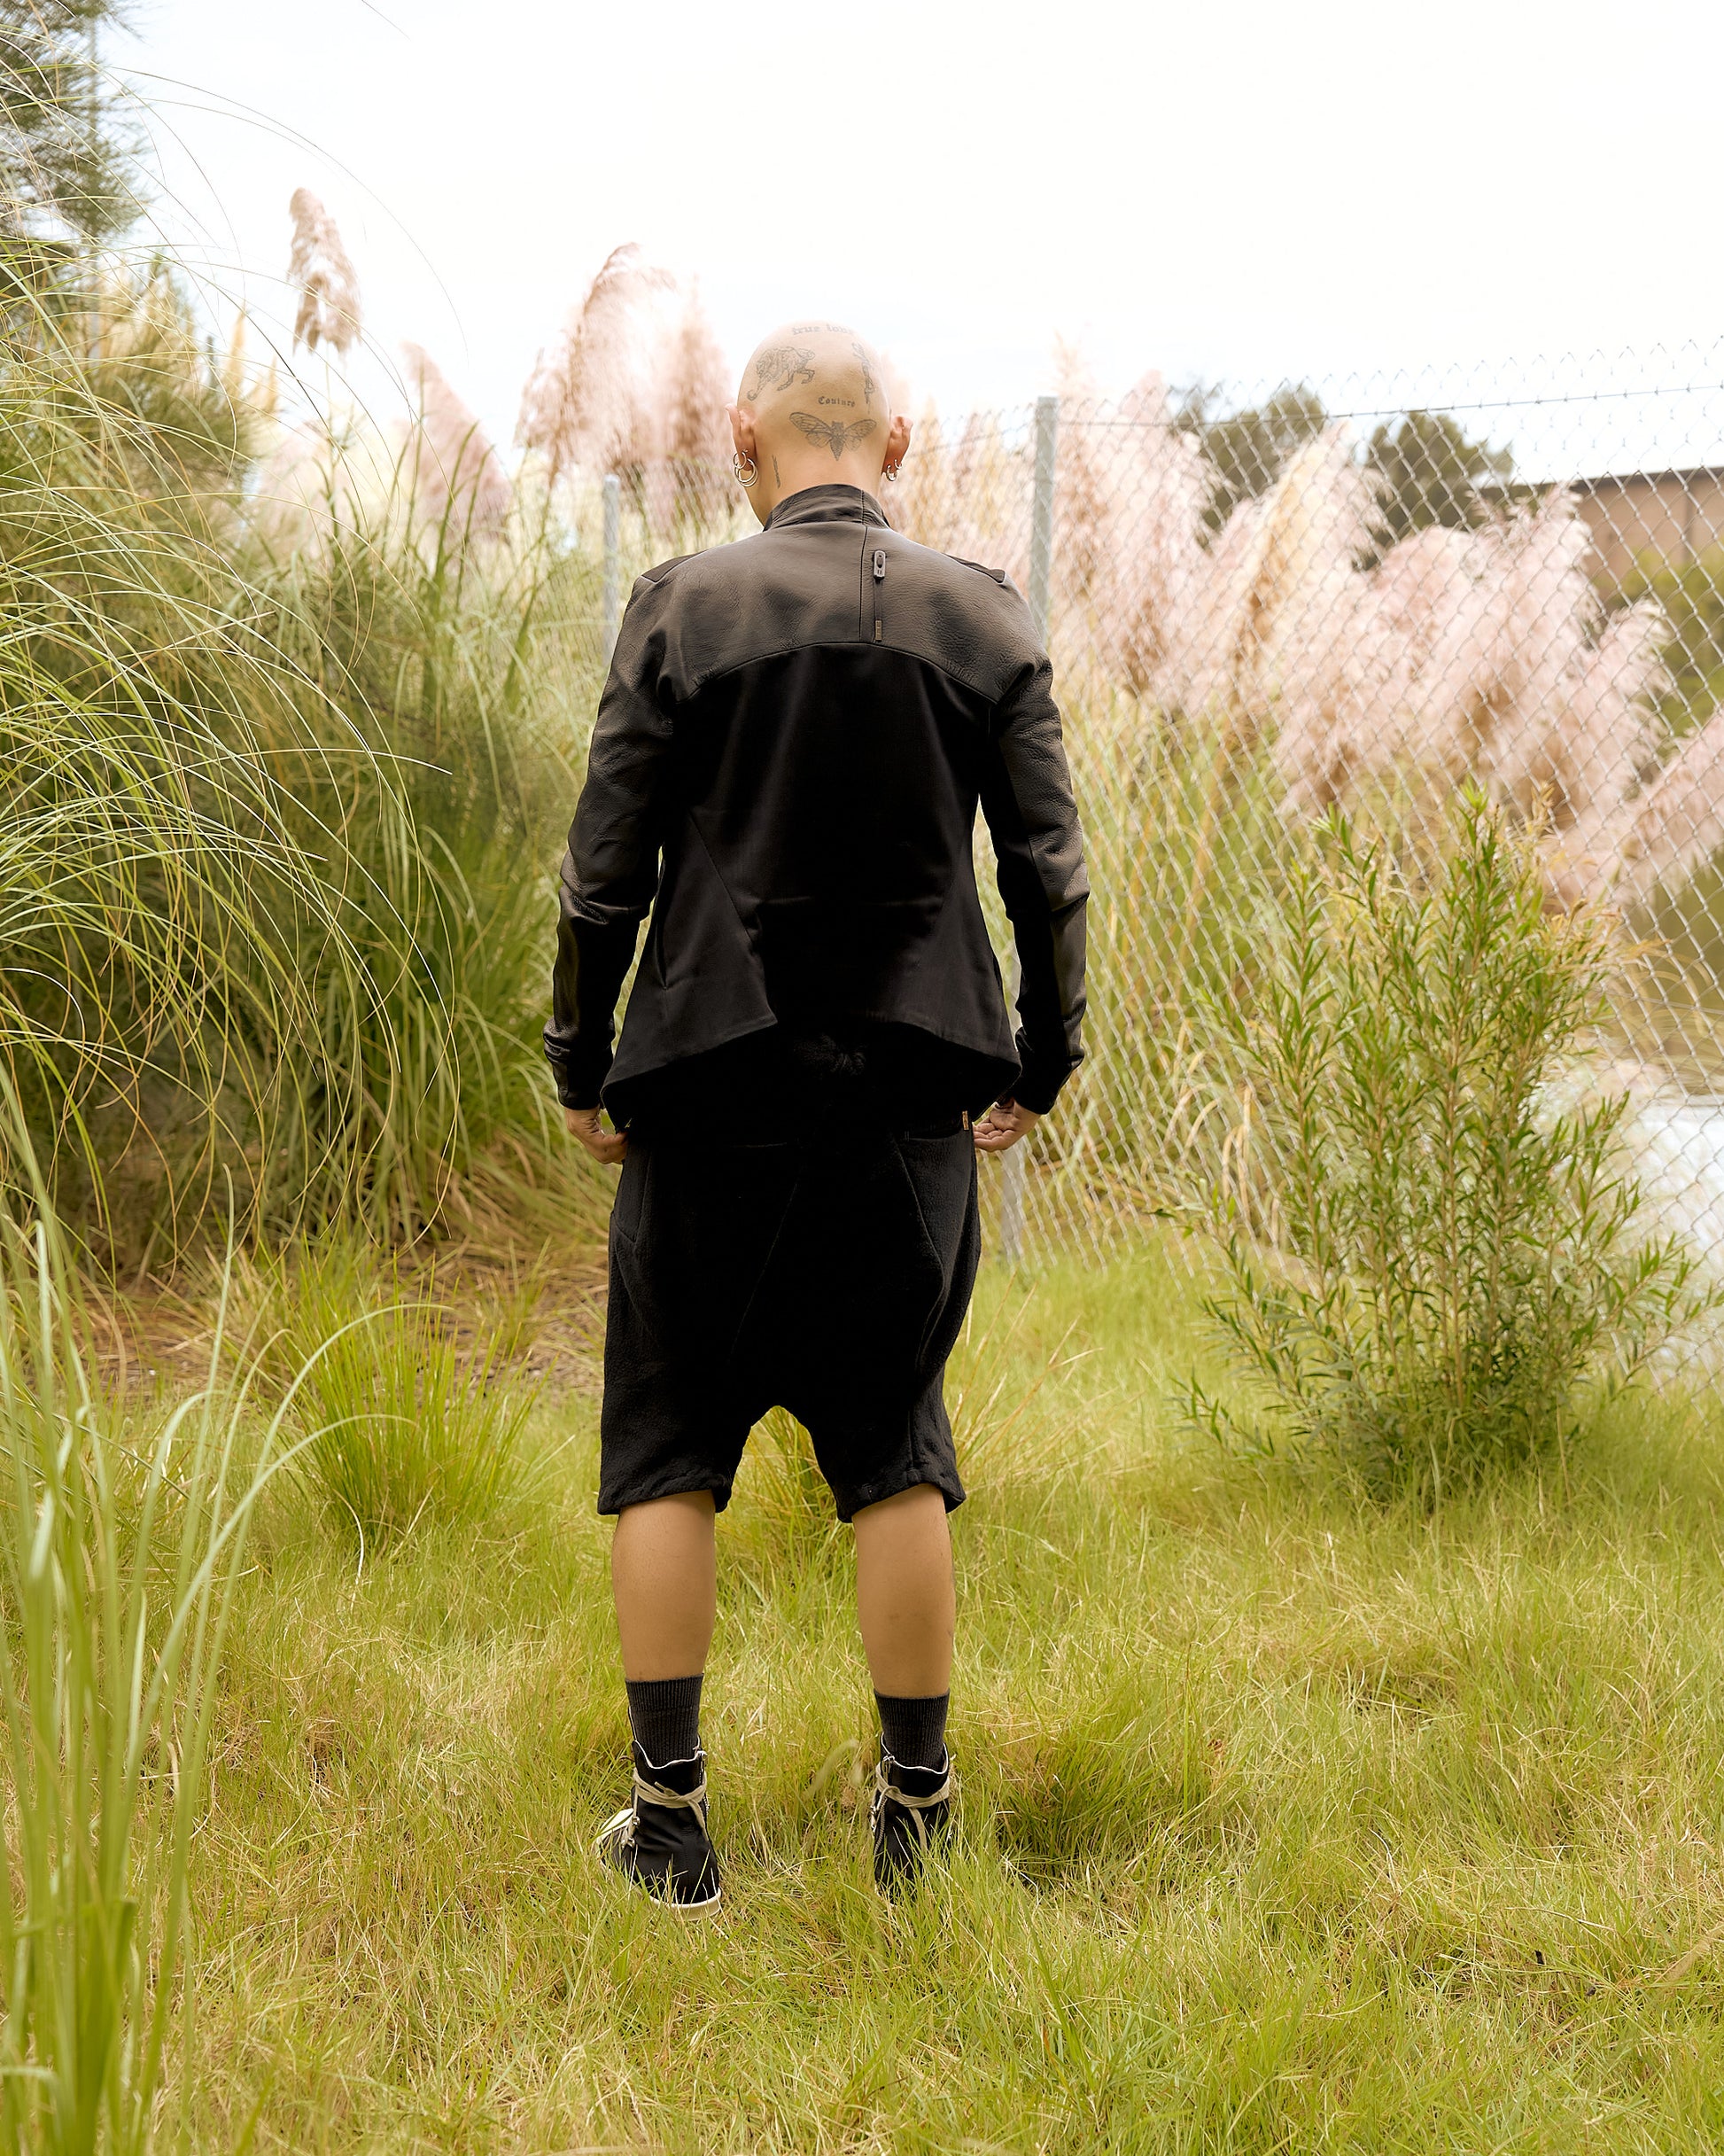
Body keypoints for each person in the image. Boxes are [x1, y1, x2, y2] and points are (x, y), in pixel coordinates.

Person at [545, 320, 1087, 1907]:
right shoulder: (982, 617)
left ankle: (669, 1828)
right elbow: (1048, 872)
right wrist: (1039, 1058)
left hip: (705, 1092)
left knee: (666, 1448)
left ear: (742, 437)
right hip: (908, 1104)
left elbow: (600, 874)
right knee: (895, 1448)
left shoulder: (679, 609)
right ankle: (914, 1822)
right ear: (894, 444)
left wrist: (582, 1063)